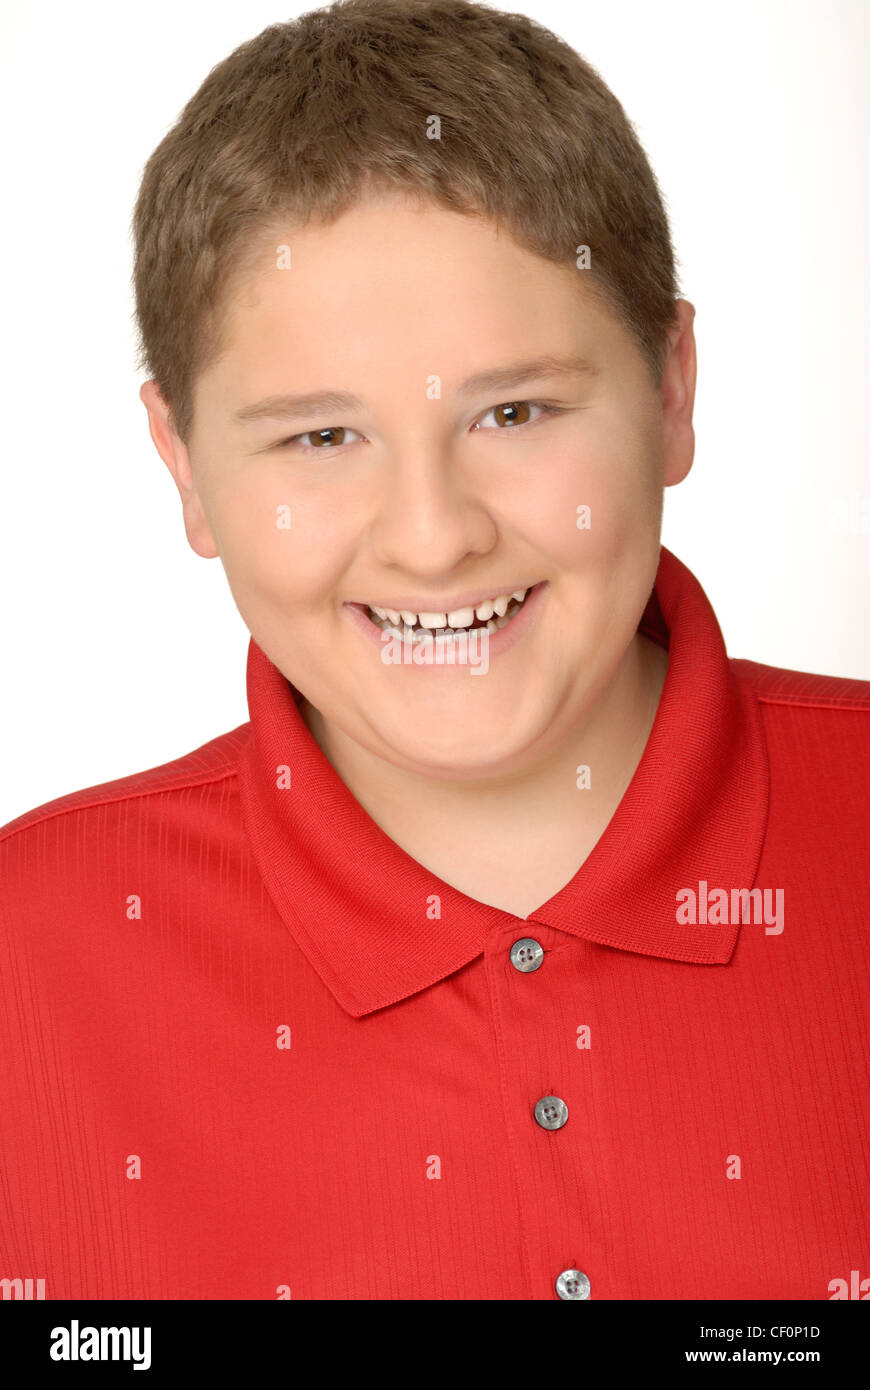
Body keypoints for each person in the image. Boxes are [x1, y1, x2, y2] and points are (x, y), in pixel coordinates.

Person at [1, 0, 867, 1301]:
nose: (433, 537)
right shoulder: (29, 959)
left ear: (671, 388)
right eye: (320, 437)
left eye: (513, 412)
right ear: (182, 464)